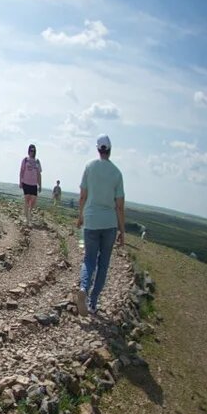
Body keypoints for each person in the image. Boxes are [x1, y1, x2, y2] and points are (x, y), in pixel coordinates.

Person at [74, 135, 125, 315]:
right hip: (109, 224)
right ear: (110, 150)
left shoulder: (89, 167)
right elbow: (119, 206)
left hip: (91, 220)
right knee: (103, 264)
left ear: (98, 149)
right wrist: (122, 231)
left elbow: (82, 196)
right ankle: (93, 302)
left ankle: (83, 288)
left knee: (89, 259)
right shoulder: (117, 173)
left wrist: (80, 216)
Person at [19, 144, 43, 227]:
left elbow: (39, 174)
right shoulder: (25, 160)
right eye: (31, 150)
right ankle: (27, 218)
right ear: (28, 151)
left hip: (34, 184)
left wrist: (40, 185)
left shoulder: (37, 161)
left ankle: (29, 212)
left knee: (33, 201)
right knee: (26, 199)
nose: (32, 152)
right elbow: (21, 171)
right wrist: (20, 182)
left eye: (33, 151)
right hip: (26, 182)